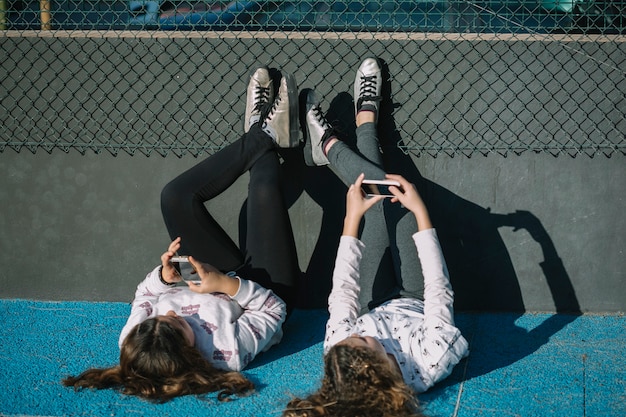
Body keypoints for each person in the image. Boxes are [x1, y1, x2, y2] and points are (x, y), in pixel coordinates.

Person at [63, 67, 302, 403]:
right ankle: (260, 133)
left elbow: (145, 295)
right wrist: (225, 286)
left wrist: (163, 277)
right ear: (192, 353)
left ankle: (261, 133)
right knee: (262, 192)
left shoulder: (133, 340)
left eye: (160, 319)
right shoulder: (225, 352)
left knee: (175, 197)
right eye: (176, 327)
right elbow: (273, 312)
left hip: (205, 274)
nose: (171, 314)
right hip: (261, 293)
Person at [284, 58, 469, 417]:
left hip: (374, 299)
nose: (370, 334)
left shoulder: (340, 357)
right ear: (385, 367)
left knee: (377, 202)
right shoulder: (432, 358)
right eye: (368, 339)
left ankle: (346, 133)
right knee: (397, 205)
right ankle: (337, 140)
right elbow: (438, 289)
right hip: (417, 299)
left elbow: (344, 292)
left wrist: (352, 219)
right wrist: (421, 213)